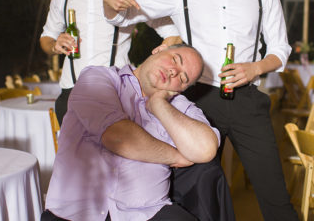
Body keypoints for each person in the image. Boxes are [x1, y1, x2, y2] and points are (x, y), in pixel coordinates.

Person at [103, 0, 298, 220]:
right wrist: (109, 2)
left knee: (274, 194)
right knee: (197, 188)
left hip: (248, 101)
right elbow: (127, 14)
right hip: (197, 101)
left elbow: (280, 49)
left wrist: (255, 68)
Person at [43, 44, 220, 221]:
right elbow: (118, 138)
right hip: (75, 212)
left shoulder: (178, 106)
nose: (174, 72)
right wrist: (175, 156)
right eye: (175, 59)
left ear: (181, 90)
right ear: (158, 49)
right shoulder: (99, 77)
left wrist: (159, 105)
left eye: (182, 78)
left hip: (147, 212)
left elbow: (205, 149)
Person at [40, 0, 181, 124]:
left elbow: (171, 31)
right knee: (73, 156)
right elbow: (46, 37)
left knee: (116, 156)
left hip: (115, 93)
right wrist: (54, 45)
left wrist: (156, 65)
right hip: (71, 92)